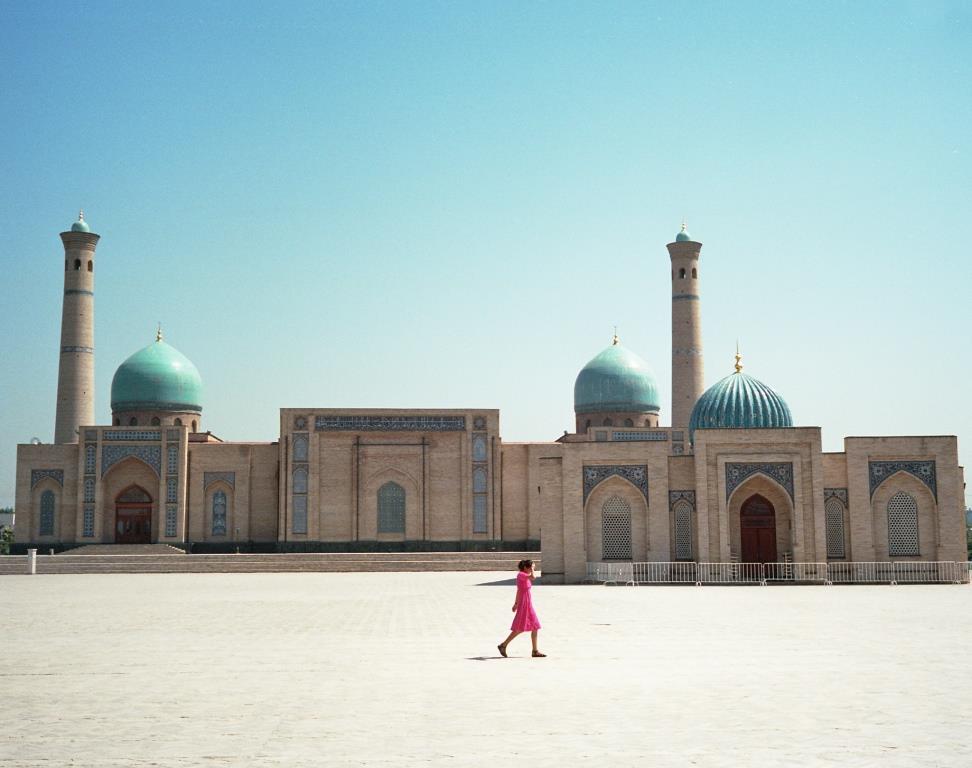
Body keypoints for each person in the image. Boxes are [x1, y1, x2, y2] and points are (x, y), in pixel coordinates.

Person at [497, 558, 545, 658]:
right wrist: (517, 604)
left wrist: (515, 604)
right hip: (524, 604)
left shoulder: (523, 576)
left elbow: (519, 590)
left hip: (527, 603)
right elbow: (533, 578)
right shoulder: (521, 575)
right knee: (520, 628)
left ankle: (535, 651)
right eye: (530, 567)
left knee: (535, 626)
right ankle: (503, 645)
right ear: (525, 568)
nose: (532, 569)